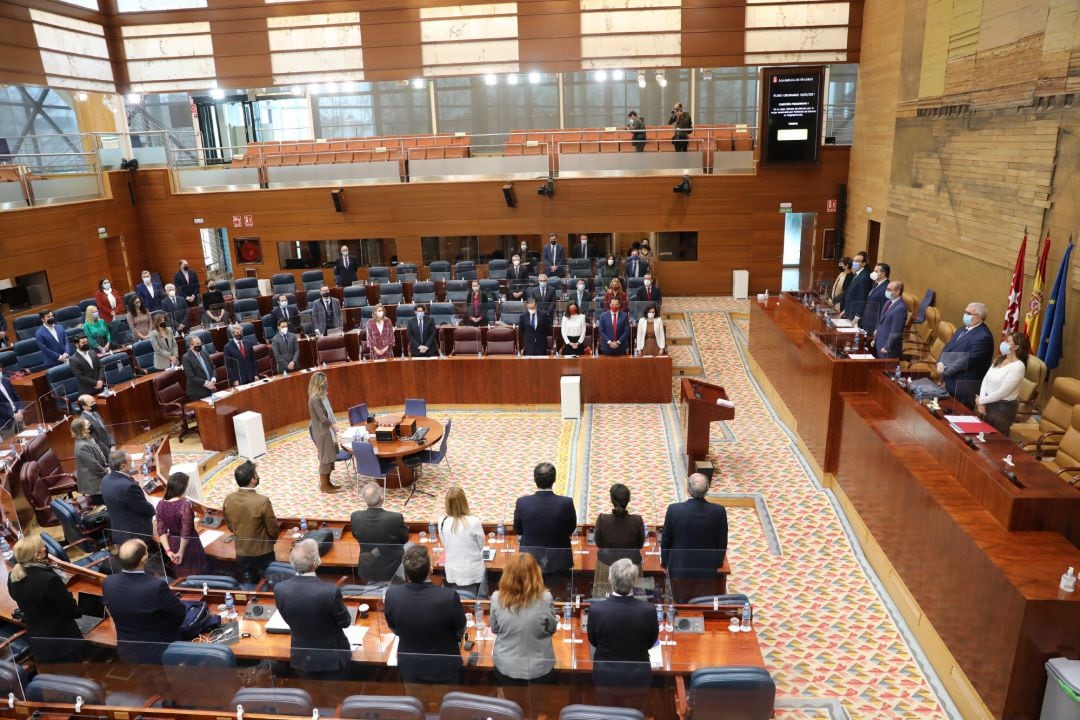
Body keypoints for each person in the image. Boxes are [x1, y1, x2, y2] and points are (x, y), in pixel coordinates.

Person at [384, 544, 467, 684]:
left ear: (406, 572)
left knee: (414, 705)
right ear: (430, 570)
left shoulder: (392, 595)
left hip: (411, 667)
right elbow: (460, 629)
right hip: (444, 667)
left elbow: (395, 629)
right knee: (447, 704)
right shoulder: (448, 597)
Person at [273, 539, 352, 684]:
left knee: (312, 698)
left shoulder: (280, 589)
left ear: (292, 563)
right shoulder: (330, 591)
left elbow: (288, 618)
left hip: (303, 658)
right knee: (335, 699)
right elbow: (345, 622)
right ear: (317, 562)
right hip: (332, 659)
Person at [103, 539, 186, 664]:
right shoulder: (156, 586)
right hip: (160, 653)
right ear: (144, 559)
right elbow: (180, 614)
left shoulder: (108, 582)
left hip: (128, 652)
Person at [7, 535, 84, 665]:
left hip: (39, 642)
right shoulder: (49, 579)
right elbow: (70, 611)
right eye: (43, 546)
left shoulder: (13, 576)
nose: (45, 548)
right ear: (37, 555)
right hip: (63, 641)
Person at [587, 559, 658, 693]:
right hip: (638, 678)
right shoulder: (648, 610)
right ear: (634, 580)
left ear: (610, 579)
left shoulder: (596, 609)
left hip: (605, 677)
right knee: (636, 714)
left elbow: (593, 641)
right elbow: (650, 642)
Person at [489, 552, 558, 685]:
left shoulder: (497, 598)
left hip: (506, 668)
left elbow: (494, 628)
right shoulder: (545, 598)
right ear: (536, 573)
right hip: (539, 669)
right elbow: (552, 628)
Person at [661, 473, 728, 603]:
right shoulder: (719, 511)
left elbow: (666, 539)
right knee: (702, 603)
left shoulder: (674, 509)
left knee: (680, 602)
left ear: (688, 489)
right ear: (707, 489)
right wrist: (718, 563)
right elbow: (722, 541)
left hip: (679, 568)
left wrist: (664, 562)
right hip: (707, 569)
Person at [513, 462, 576, 595]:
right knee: (558, 596)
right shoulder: (566, 503)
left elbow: (518, 529)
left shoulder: (522, 502)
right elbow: (571, 528)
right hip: (558, 562)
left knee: (529, 597)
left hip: (530, 562)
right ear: (554, 479)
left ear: (535, 479)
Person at [222, 460, 279, 583]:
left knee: (249, 584)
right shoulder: (262, 501)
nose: (258, 476)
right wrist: (272, 540)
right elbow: (272, 528)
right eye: (256, 474)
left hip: (242, 553)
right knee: (271, 583)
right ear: (252, 479)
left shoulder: (228, 499)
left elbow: (230, 526)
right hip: (263, 553)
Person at [936, 301, 995, 409]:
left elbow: (967, 360)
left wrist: (946, 369)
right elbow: (948, 347)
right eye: (965, 312)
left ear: (979, 317)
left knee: (957, 414)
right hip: (950, 379)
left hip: (963, 385)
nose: (965, 315)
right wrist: (940, 361)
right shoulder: (962, 329)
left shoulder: (983, 337)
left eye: (968, 313)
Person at [592, 484, 645, 597]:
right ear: (628, 499)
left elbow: (598, 543)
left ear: (611, 499)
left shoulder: (602, 519)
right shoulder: (637, 520)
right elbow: (640, 544)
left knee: (603, 602)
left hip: (606, 566)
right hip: (631, 568)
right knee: (635, 604)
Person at [350, 482, 408, 583]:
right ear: (382, 497)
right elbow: (404, 539)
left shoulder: (355, 517)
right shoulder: (394, 518)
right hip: (392, 568)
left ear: (364, 499)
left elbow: (355, 535)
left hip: (368, 568)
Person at [154, 471, 208, 578]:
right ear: (182, 488)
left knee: (183, 575)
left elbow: (161, 530)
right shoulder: (184, 505)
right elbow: (185, 533)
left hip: (172, 543)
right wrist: (181, 552)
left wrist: (168, 551)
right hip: (189, 545)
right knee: (197, 573)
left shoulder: (160, 504)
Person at [975, 331, 1029, 435]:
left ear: (1016, 347)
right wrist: (982, 400)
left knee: (995, 440)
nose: (1003, 343)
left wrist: (982, 400)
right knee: (981, 435)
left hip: (1002, 408)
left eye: (1007, 341)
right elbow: (986, 379)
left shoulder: (1018, 366)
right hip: (987, 402)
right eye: (1004, 340)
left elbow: (1003, 392)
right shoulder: (999, 359)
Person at [102, 449, 156, 546]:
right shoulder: (128, 487)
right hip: (135, 535)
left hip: (118, 530)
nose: (133, 464)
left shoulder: (105, 479)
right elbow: (145, 509)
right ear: (123, 466)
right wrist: (155, 511)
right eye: (130, 462)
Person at [439, 486, 485, 595]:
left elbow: (444, 542)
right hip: (473, 572)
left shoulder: (442, 520)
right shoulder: (474, 521)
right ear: (464, 502)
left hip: (452, 572)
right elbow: (481, 545)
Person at [308, 371, 345, 495]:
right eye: (324, 382)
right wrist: (333, 425)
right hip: (323, 433)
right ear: (318, 384)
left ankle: (328, 483)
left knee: (330, 457)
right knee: (325, 459)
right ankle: (324, 485)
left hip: (327, 432)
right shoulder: (314, 399)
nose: (326, 384)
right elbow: (322, 418)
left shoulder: (323, 396)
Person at [73, 416, 107, 505]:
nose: (91, 425)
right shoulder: (83, 446)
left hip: (98, 476)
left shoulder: (88, 438)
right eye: (88, 425)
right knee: (104, 507)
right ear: (83, 430)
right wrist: (107, 472)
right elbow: (94, 466)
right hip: (95, 484)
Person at [873, 281, 907, 359]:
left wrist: (886, 347)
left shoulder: (900, 308)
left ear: (898, 291)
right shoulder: (888, 302)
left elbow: (896, 332)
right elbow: (881, 319)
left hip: (888, 349)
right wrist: (876, 329)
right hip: (880, 341)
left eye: (889, 289)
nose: (886, 291)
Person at [859, 263, 890, 335]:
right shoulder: (876, 284)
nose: (873, 273)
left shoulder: (886, 288)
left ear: (883, 274)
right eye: (874, 271)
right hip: (866, 321)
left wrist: (877, 328)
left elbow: (883, 309)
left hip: (873, 324)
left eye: (876, 271)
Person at [181, 334, 216, 400]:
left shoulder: (204, 353)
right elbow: (191, 376)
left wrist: (213, 379)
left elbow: (213, 367)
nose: (200, 345)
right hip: (198, 392)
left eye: (200, 343)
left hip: (210, 387)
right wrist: (206, 383)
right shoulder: (186, 358)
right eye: (197, 343)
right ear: (191, 346)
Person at [841, 251, 871, 320]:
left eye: (857, 261)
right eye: (854, 260)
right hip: (849, 310)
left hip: (854, 314)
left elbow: (862, 298)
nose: (854, 263)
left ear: (863, 264)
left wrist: (857, 316)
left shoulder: (864, 277)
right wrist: (845, 309)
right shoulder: (857, 274)